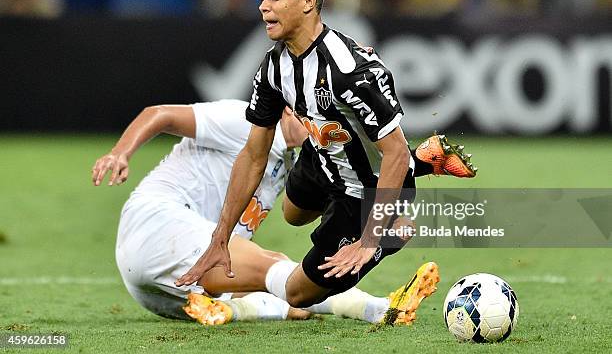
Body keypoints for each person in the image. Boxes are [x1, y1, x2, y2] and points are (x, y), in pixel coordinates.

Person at [175, 0, 476, 324]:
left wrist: (368, 241)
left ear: (308, 2)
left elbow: (394, 154)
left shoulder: (351, 71)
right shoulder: (273, 68)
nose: (263, 6)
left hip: (367, 188)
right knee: (291, 213)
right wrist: (220, 236)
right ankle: (426, 160)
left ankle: (392, 233)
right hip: (322, 158)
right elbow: (254, 156)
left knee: (297, 293)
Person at [92, 100, 473, 325]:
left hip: (161, 289)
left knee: (292, 301)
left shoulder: (290, 166)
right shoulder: (243, 120)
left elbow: (351, 180)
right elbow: (159, 114)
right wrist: (120, 152)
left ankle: (382, 309)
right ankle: (376, 298)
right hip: (159, 223)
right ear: (292, 108)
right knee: (280, 271)